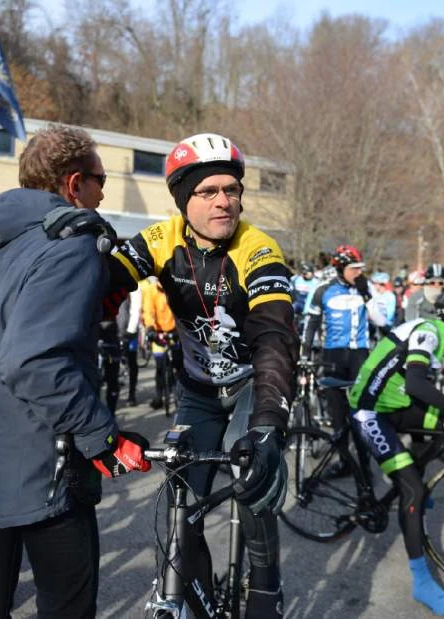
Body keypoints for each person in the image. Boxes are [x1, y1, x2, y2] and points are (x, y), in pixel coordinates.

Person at [0, 124, 151, 618]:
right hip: (44, 462)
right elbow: (33, 360)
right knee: (67, 606)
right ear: (73, 183)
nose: (102, 194)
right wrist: (101, 436)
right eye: (100, 180)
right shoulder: (71, 241)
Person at [106, 132, 298, 618]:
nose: (224, 201)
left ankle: (266, 588)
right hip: (198, 391)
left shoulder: (258, 248)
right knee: (180, 506)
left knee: (252, 474)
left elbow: (275, 338)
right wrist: (82, 258)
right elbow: (102, 287)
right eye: (208, 191)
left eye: (231, 190)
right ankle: (199, 593)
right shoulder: (161, 238)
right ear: (182, 201)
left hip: (251, 385)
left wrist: (269, 426)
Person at [349, 287, 444, 615]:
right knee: (414, 489)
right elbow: (418, 385)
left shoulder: (435, 334)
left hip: (394, 404)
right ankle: (421, 581)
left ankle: (411, 485)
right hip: (371, 411)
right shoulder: (429, 334)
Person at [303, 245, 370, 435]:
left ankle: (363, 456)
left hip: (360, 352)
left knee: (362, 409)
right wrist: (305, 353)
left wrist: (367, 295)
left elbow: (380, 320)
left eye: (360, 268)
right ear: (341, 269)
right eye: (354, 268)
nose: (359, 272)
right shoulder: (323, 290)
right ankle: (343, 456)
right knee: (337, 410)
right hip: (333, 353)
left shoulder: (365, 287)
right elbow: (311, 322)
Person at [141, 277, 178, 409]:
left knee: (179, 365)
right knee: (160, 367)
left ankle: (181, 394)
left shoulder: (174, 288)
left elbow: (179, 310)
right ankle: (158, 396)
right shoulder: (151, 291)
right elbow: (148, 311)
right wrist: (150, 329)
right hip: (158, 333)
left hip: (174, 330)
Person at [116, 282, 142, 406]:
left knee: (132, 363)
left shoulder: (133, 285)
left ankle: (132, 394)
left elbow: (136, 309)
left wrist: (130, 332)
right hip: (115, 331)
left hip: (130, 333)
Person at [290, 261, 320, 330]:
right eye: (305, 273)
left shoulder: (316, 282)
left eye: (309, 272)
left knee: (304, 325)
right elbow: (291, 292)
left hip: (309, 306)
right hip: (298, 304)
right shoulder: (296, 279)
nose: (306, 274)